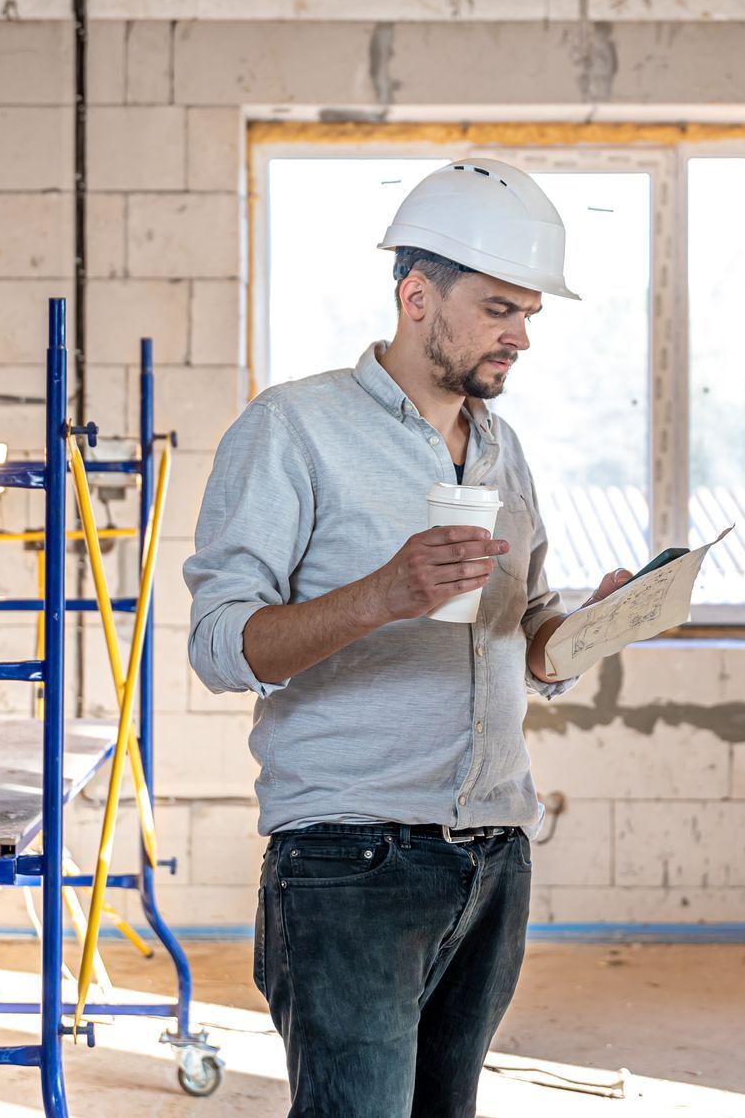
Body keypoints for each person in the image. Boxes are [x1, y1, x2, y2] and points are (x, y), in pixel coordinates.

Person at [184, 158, 631, 1117]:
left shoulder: (502, 446)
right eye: (501, 308)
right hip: (350, 861)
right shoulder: (291, 430)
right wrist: (384, 591)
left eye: (531, 315)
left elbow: (530, 625)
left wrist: (591, 627)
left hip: (493, 848)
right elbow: (222, 643)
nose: (521, 335)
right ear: (416, 295)